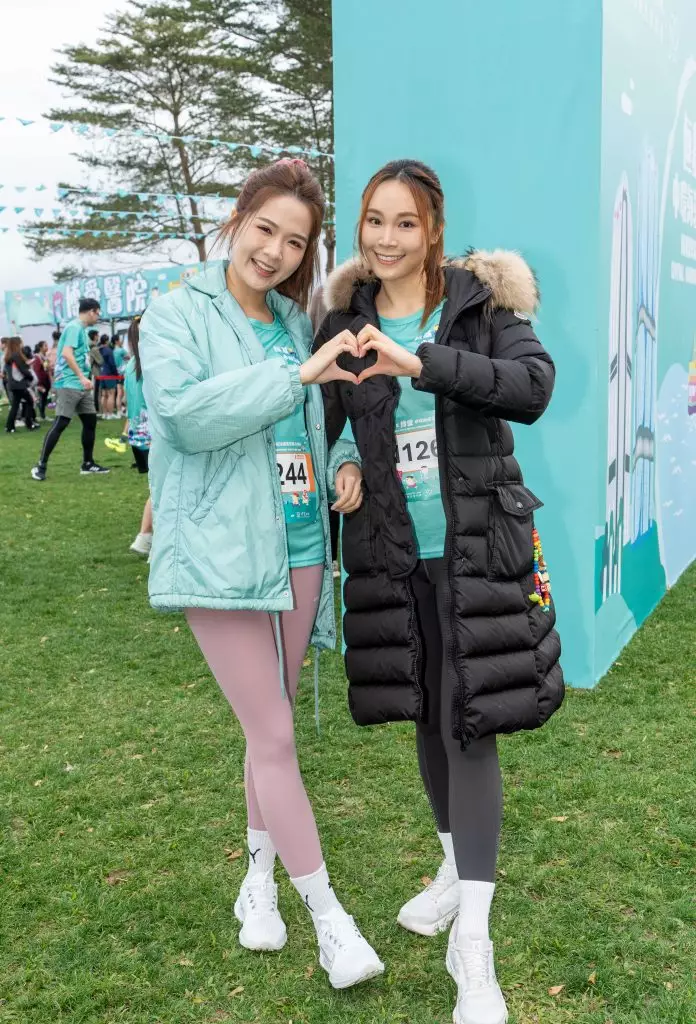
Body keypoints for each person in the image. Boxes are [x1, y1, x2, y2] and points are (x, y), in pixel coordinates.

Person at [314, 159, 565, 1024]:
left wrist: (419, 360)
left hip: (477, 549)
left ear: (433, 231)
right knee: (427, 712)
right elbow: (337, 424)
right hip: (392, 551)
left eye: (405, 223)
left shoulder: (479, 307)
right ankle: (456, 868)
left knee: (470, 722)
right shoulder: (345, 321)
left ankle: (475, 949)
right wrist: (345, 464)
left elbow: (532, 389)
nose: (386, 239)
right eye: (374, 220)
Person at [139, 158, 384, 990]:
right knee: (276, 734)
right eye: (265, 229)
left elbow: (322, 416)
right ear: (237, 218)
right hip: (221, 553)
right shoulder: (176, 313)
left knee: (265, 730)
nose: (274, 251)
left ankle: (257, 879)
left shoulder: (292, 319)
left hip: (302, 546)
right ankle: (330, 920)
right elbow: (185, 417)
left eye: (295, 241)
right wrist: (295, 375)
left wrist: (343, 458)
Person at [31, 298, 110, 481]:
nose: (98, 316)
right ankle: (40, 466)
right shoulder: (74, 328)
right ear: (91, 311)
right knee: (61, 423)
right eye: (98, 313)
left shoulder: (81, 329)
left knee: (90, 422)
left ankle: (88, 463)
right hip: (69, 383)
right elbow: (67, 354)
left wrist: (84, 377)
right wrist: (82, 377)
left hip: (81, 385)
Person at [123, 317, 152, 555]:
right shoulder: (151, 363)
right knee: (162, 490)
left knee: (157, 488)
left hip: (137, 437)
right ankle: (145, 537)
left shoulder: (131, 365)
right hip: (153, 436)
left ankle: (147, 537)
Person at [4, 337, 38, 432]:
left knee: (15, 405)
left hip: (13, 384)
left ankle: (10, 427)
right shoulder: (16, 355)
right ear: (17, 344)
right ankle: (29, 424)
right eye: (21, 343)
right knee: (30, 401)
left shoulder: (8, 357)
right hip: (19, 384)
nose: (22, 345)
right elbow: (23, 370)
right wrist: (31, 377)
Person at [98, 333, 118, 418]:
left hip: (102, 373)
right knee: (111, 394)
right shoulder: (108, 350)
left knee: (104, 395)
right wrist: (116, 373)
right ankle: (110, 414)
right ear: (106, 341)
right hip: (109, 374)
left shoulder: (99, 350)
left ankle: (104, 413)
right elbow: (112, 364)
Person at [32, 342, 52, 420]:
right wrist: (38, 384)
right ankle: (39, 416)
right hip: (40, 382)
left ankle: (42, 415)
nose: (47, 347)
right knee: (39, 399)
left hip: (46, 382)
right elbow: (36, 371)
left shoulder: (45, 357)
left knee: (44, 399)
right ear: (40, 347)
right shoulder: (37, 357)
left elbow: (47, 369)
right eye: (45, 346)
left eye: (47, 345)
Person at [88, 329, 103, 412]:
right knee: (96, 392)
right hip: (95, 372)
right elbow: (101, 361)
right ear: (94, 336)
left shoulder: (88, 346)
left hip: (90, 372)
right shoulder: (94, 348)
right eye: (97, 335)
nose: (98, 337)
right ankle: (96, 409)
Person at [112, 335, 128, 415]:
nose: (121, 341)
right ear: (116, 341)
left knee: (119, 393)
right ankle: (126, 409)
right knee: (126, 392)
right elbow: (129, 357)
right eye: (120, 340)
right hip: (123, 373)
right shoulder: (121, 350)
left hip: (117, 373)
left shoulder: (113, 351)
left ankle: (119, 411)